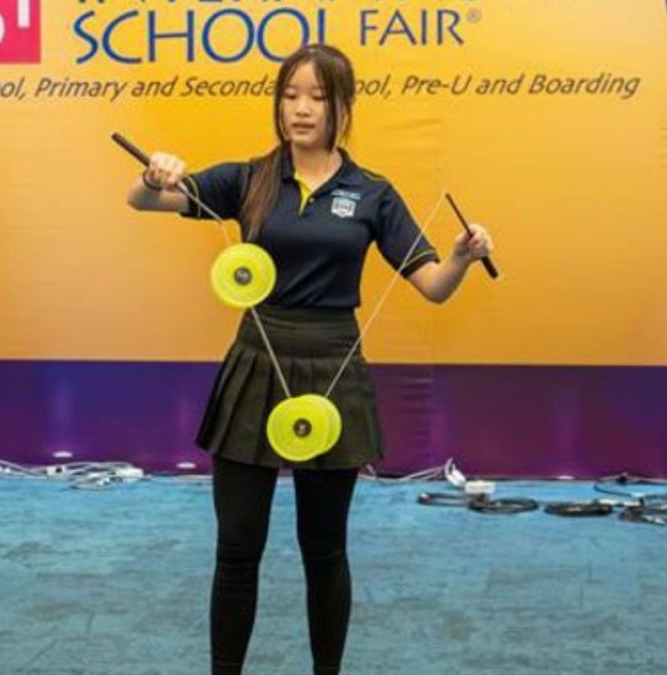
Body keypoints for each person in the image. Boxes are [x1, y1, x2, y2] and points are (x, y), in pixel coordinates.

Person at [126, 44, 492, 675]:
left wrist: (461, 256)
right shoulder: (249, 178)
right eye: (290, 95)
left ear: (341, 106)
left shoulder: (371, 192)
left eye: (318, 97)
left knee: (324, 551)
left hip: (333, 374)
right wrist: (152, 174)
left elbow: (432, 284)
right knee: (237, 549)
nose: (301, 109)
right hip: (255, 367)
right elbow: (144, 201)